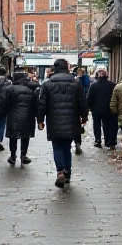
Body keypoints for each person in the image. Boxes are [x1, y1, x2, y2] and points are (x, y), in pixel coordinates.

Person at [37, 58, 88, 188]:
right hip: (72, 120)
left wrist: (40, 120)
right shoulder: (75, 83)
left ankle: (60, 171)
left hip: (54, 120)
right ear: (67, 67)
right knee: (67, 147)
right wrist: (84, 117)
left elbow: (42, 104)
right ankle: (67, 173)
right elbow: (82, 101)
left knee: (57, 146)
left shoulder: (47, 84)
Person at [0, 71, 40, 166]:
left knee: (13, 137)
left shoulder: (9, 89)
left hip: (13, 116)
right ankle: (23, 155)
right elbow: (36, 104)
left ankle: (13, 156)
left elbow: (3, 102)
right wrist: (38, 117)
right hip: (28, 116)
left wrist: (5, 112)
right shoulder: (32, 89)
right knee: (25, 136)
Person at [87, 68, 117, 148]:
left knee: (96, 125)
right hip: (108, 109)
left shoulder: (93, 85)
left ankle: (98, 140)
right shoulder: (112, 85)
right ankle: (108, 141)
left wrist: (89, 107)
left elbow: (89, 97)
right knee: (106, 125)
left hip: (96, 109)